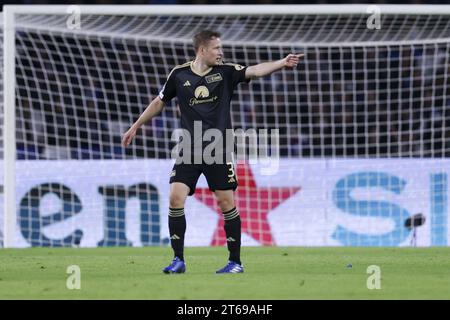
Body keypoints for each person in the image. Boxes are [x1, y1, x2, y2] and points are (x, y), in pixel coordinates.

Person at [122, 30, 303, 274]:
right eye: (217, 48)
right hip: (188, 149)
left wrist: (282, 62)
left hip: (218, 148)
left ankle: (235, 262)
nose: (221, 52)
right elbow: (159, 102)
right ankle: (178, 260)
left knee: (226, 203)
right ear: (202, 50)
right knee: (176, 198)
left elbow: (254, 70)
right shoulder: (179, 74)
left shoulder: (226, 72)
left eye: (221, 48)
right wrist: (136, 125)